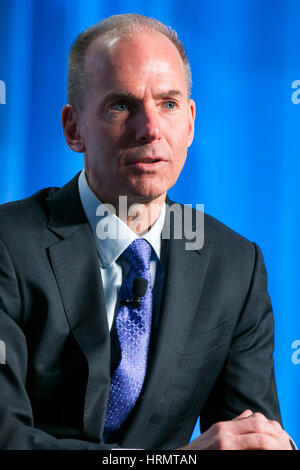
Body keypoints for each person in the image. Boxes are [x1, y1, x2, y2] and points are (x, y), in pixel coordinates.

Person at [0, 13, 293, 450]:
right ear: (73, 128)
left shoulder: (236, 266)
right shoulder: (8, 244)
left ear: (190, 123)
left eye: (168, 104)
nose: (151, 129)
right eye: (122, 105)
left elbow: (248, 438)